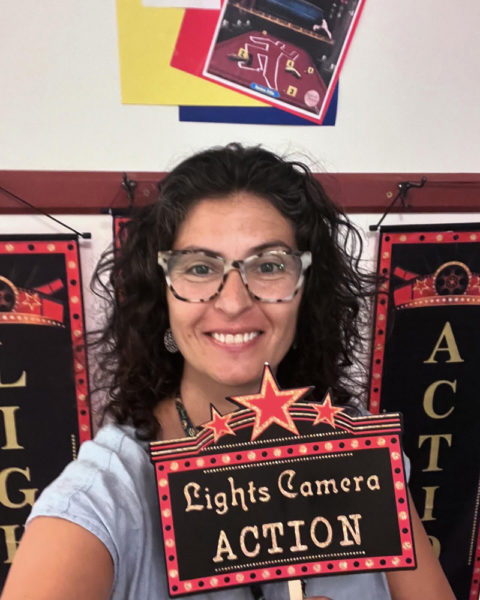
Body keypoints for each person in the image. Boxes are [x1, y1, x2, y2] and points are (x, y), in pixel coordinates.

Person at [1, 144, 455, 600]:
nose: (235, 302)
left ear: (306, 292)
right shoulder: (106, 497)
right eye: (200, 267)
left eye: (271, 265)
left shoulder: (359, 454)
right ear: (163, 296)